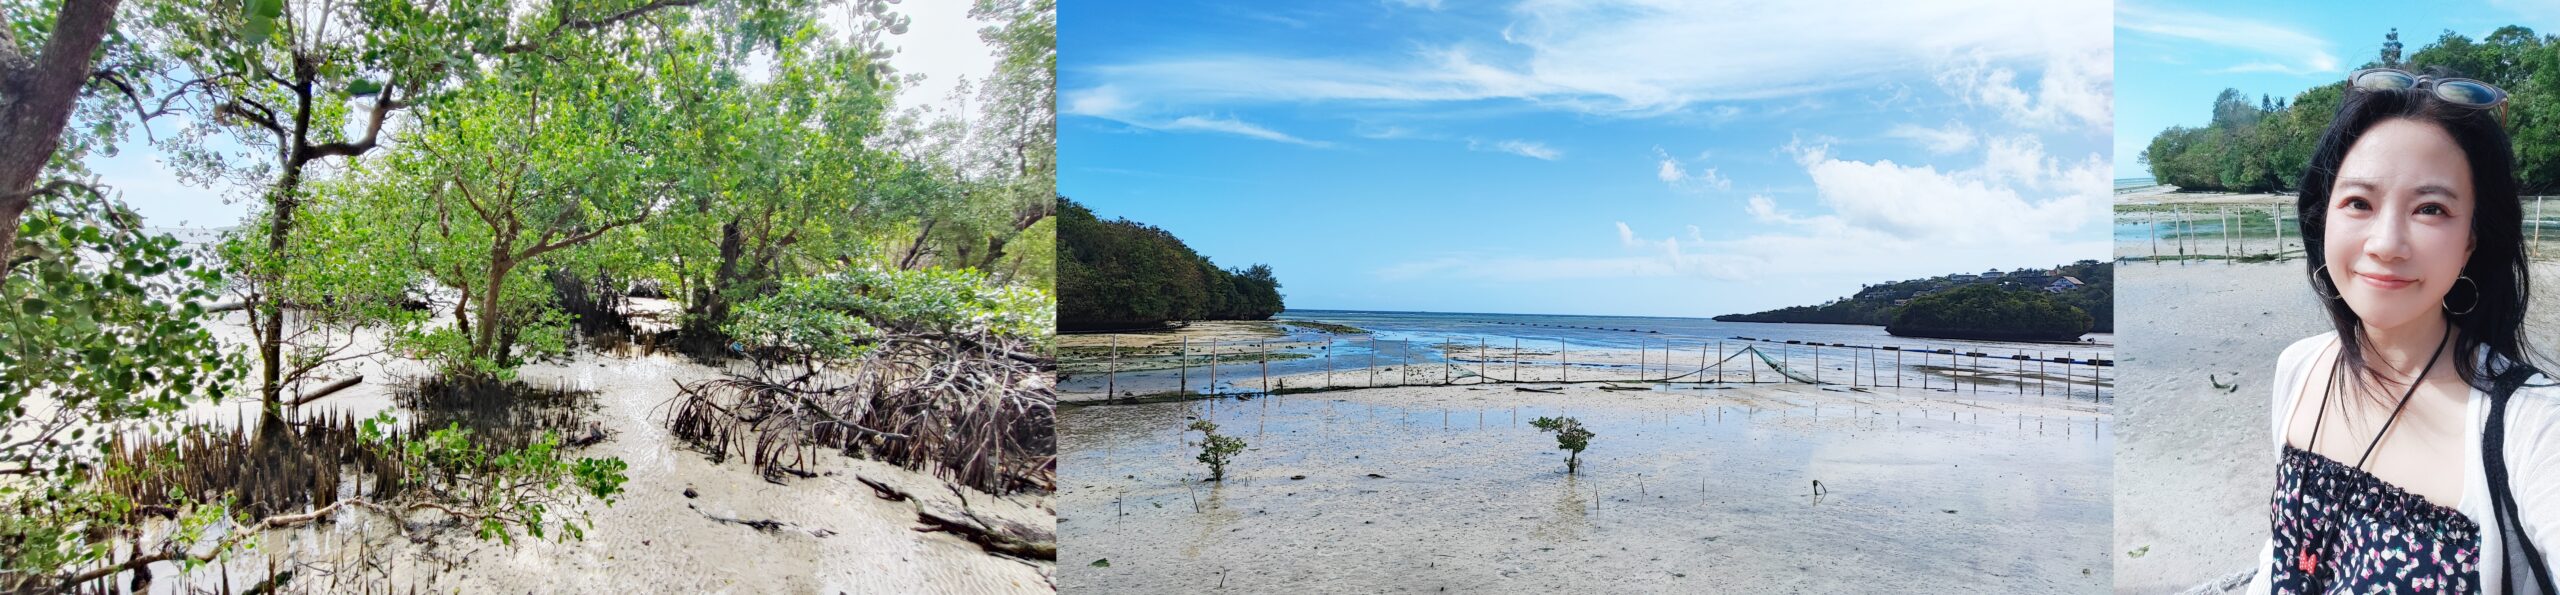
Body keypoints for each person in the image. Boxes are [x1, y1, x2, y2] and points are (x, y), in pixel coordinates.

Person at [2248, 67, 2559, 594]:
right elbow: (2278, 557)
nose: (2387, 244)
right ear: (2323, 218)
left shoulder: (2533, 426)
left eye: (2431, 209)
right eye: (2359, 203)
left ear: (2471, 240)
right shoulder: (2300, 367)